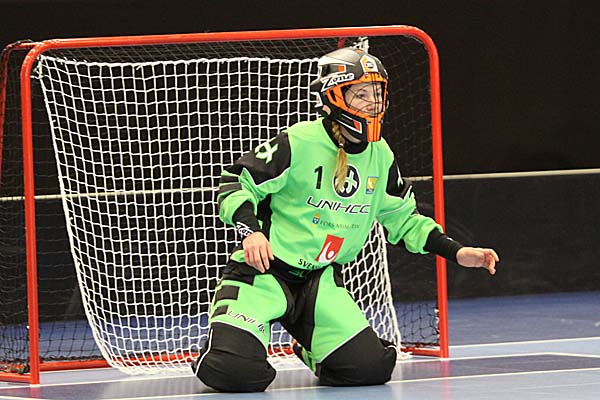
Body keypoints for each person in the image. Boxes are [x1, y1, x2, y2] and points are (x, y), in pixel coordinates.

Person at [192, 47, 499, 392]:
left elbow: (403, 220)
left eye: (377, 93)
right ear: (334, 96)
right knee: (232, 371)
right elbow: (237, 181)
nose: (373, 103)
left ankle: (309, 347)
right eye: (361, 94)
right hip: (263, 274)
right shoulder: (299, 141)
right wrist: (251, 232)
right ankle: (223, 344)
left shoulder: (380, 155)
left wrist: (457, 252)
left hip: (317, 282)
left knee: (370, 368)